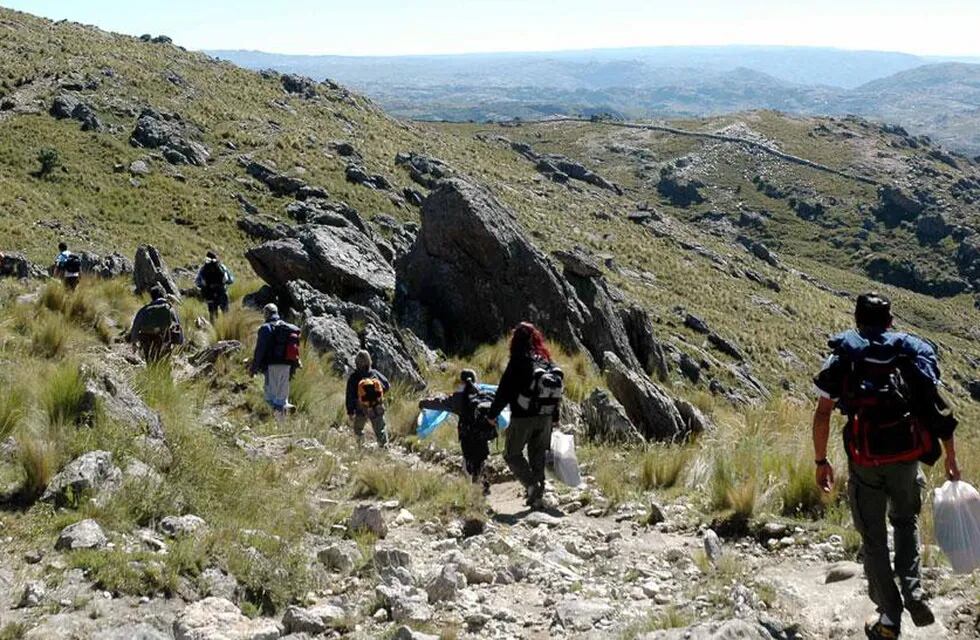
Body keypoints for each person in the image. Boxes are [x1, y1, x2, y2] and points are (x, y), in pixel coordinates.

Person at [812, 292, 960, 640]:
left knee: (874, 538)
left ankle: (889, 618)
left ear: (857, 320)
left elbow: (822, 413)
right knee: (905, 522)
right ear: (891, 321)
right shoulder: (908, 352)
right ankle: (914, 590)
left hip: (864, 461)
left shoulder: (844, 356)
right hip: (907, 458)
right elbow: (935, 407)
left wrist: (821, 461)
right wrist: (951, 458)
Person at [485, 322, 563, 510]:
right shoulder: (545, 360)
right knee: (538, 455)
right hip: (545, 416)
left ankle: (531, 486)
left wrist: (492, 415)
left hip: (522, 417)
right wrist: (555, 417)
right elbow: (554, 391)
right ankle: (537, 495)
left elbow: (503, 391)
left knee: (512, 454)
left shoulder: (517, 360)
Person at [419, 369, 497, 494]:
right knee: (481, 459)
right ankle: (483, 485)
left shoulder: (457, 398)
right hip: (484, 434)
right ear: (475, 379)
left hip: (467, 435)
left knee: (470, 461)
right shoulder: (484, 393)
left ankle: (477, 490)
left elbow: (439, 403)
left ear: (461, 381)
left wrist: (423, 403)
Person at [250, 303, 301, 417]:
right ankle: (282, 421)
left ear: (267, 313)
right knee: (281, 398)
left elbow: (260, 350)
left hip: (272, 365)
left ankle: (273, 420)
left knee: (270, 398)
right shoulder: (287, 327)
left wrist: (254, 368)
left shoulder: (265, 328)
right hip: (287, 365)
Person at [346, 350, 390, 447]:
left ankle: (361, 446)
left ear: (356, 362)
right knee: (380, 429)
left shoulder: (353, 377)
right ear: (369, 361)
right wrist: (379, 396)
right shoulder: (374, 373)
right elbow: (387, 385)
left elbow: (350, 396)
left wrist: (350, 411)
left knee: (358, 429)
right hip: (377, 407)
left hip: (361, 408)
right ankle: (384, 448)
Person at [128, 285, 183, 362]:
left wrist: (134, 342)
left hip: (146, 340)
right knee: (163, 362)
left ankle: (150, 372)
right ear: (162, 295)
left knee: (150, 361)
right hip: (164, 340)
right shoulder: (169, 308)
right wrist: (178, 341)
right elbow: (176, 326)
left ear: (152, 297)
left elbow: (136, 326)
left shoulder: (145, 309)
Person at [195, 251, 234, 322]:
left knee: (213, 317)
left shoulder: (203, 269)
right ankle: (228, 330)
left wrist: (207, 286)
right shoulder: (222, 267)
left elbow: (197, 282)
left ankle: (214, 331)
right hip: (222, 293)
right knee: (226, 314)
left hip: (210, 295)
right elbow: (230, 280)